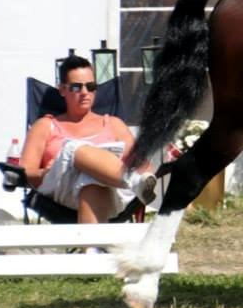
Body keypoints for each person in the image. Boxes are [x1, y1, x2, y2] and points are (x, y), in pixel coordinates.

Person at [19, 55, 156, 223]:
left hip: (113, 192)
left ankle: (92, 249)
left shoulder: (113, 124)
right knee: (73, 148)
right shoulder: (46, 125)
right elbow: (24, 173)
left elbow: (143, 164)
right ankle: (133, 182)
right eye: (76, 87)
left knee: (91, 177)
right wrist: (44, 172)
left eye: (90, 86)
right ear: (62, 89)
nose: (85, 93)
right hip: (61, 191)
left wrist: (142, 166)